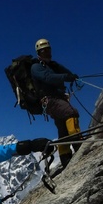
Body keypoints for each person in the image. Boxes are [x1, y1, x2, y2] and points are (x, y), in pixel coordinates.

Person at [31, 38, 83, 168]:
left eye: (48, 50)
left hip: (57, 99)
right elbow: (47, 78)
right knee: (71, 113)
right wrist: (66, 77)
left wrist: (71, 76)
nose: (47, 53)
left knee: (62, 127)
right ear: (39, 53)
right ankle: (78, 143)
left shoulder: (53, 65)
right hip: (50, 100)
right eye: (44, 51)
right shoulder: (36, 67)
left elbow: (66, 73)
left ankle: (65, 156)